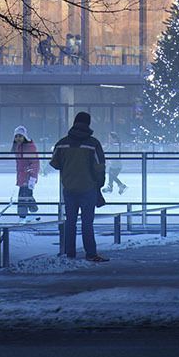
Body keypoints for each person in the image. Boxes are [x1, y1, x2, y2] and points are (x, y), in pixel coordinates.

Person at [50, 111, 109, 262]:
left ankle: (69, 253)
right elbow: (99, 167)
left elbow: (55, 163)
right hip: (88, 188)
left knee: (70, 222)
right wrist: (99, 184)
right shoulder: (93, 144)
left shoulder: (62, 143)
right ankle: (90, 253)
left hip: (69, 188)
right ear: (88, 124)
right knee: (87, 223)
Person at [12, 127, 41, 219]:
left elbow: (35, 163)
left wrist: (32, 177)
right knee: (27, 195)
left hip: (28, 176)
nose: (18, 138)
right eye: (16, 136)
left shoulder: (29, 147)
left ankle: (23, 216)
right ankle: (33, 212)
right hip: (22, 176)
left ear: (24, 136)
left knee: (23, 197)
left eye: (20, 136)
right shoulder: (19, 147)